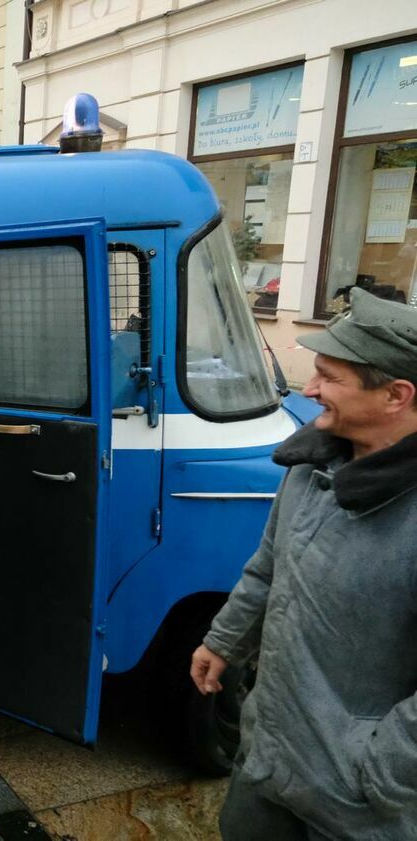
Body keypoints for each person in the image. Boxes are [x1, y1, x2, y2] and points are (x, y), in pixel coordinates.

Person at [191, 287, 417, 841]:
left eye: (330, 378)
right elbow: (268, 567)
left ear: (397, 395)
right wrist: (224, 641)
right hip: (267, 763)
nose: (309, 389)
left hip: (357, 807)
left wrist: (378, 774)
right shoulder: (309, 468)